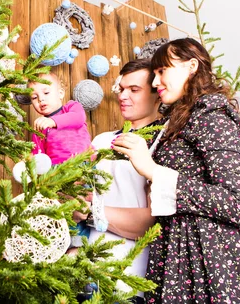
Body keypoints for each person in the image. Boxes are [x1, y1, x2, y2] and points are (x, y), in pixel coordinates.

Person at [112, 38, 240, 303]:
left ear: (191, 66)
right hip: (175, 251)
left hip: (214, 254)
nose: (155, 82)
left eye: (162, 71)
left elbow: (234, 203)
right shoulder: (176, 120)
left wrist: (153, 170)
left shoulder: (212, 113)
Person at [75, 58, 163, 302]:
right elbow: (78, 191)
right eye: (121, 89)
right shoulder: (101, 140)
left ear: (157, 94)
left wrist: (90, 211)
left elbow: (153, 223)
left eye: (134, 90)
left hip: (129, 281)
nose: (123, 96)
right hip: (86, 270)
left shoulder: (164, 144)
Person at [28, 72, 92, 246]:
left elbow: (79, 119)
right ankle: (67, 243)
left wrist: (53, 122)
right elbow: (39, 156)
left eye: (46, 93)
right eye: (35, 97)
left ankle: (81, 243)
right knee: (65, 210)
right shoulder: (39, 126)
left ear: (61, 93)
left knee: (81, 205)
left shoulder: (71, 107)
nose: (41, 99)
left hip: (81, 164)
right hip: (56, 172)